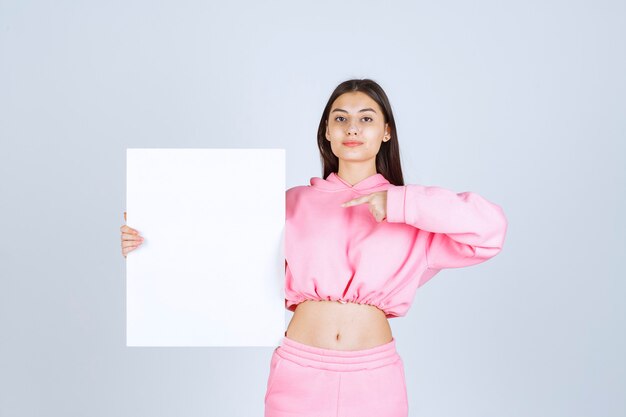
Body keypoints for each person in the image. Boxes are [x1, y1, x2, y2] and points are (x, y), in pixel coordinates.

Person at [120, 78, 508, 417]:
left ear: (386, 132)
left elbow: (490, 232)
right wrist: (151, 242)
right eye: (340, 118)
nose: (351, 127)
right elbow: (218, 252)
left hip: (374, 379)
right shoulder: (292, 202)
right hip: (298, 374)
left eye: (366, 118)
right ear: (326, 131)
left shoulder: (414, 215)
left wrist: (400, 204)